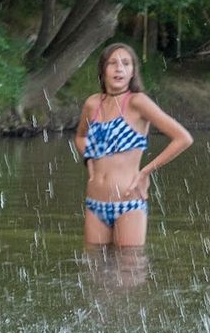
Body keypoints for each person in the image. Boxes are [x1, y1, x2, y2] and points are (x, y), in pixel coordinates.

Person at [74, 43, 193, 248]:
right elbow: (80, 137)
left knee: (128, 272)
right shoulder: (92, 104)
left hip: (128, 203)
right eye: (112, 63)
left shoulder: (137, 102)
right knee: (93, 272)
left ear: (132, 72)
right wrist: (89, 161)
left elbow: (183, 138)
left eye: (126, 63)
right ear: (103, 70)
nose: (119, 67)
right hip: (94, 202)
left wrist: (145, 172)